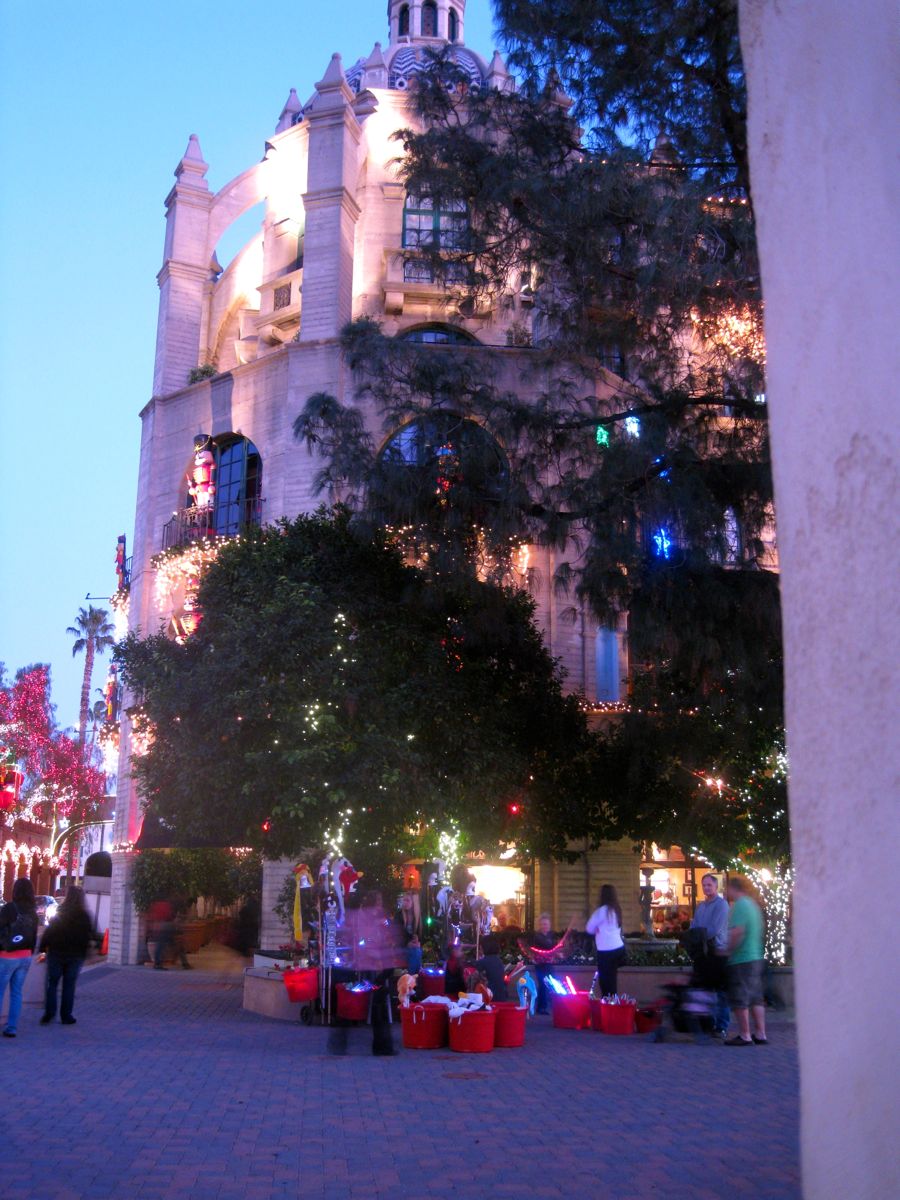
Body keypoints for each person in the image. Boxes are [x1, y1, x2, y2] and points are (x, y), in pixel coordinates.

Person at [39, 885, 96, 1025]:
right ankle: (66, 1015)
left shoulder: (60, 911)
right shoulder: (84, 915)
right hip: (75, 955)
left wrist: (43, 948)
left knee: (52, 984)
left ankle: (49, 1013)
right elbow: (89, 935)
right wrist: (88, 951)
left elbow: (49, 931)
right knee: (69, 985)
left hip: (56, 952)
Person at [725, 875, 768, 1046]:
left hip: (741, 958)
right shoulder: (753, 905)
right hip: (755, 956)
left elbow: (737, 932)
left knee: (740, 997)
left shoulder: (740, 906)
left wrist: (728, 949)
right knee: (756, 997)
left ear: (734, 888)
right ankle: (761, 1033)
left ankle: (745, 1035)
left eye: (727, 888)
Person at [690, 873, 731, 1037]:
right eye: (704, 885)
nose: (706, 888)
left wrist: (699, 936)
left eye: (709, 885)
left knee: (720, 991)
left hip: (717, 951)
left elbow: (714, 929)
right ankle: (709, 1022)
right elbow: (694, 926)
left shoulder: (722, 905)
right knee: (705, 989)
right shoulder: (701, 906)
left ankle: (721, 1025)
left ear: (716, 886)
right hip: (703, 953)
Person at [0, 878, 39, 1038]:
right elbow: (34, 937)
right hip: (25, 956)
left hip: (7, 956)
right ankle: (12, 1027)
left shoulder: (9, 908)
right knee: (17, 992)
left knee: (0, 991)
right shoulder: (33, 912)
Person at [585, 884, 625, 998]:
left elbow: (589, 928)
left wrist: (597, 929)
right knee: (612, 979)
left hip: (605, 950)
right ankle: (613, 1003)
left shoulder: (601, 912)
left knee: (605, 982)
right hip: (618, 948)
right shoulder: (617, 910)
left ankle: (608, 1006)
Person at [529, 912, 558, 1014]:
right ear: (540, 925)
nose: (545, 926)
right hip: (541, 964)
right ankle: (541, 1007)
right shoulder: (538, 936)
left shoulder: (551, 935)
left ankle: (545, 1005)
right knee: (542, 984)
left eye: (546, 924)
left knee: (549, 984)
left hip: (549, 963)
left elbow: (553, 946)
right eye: (543, 924)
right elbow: (547, 945)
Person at [474, 935, 508, 1001]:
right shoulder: (498, 960)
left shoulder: (483, 962)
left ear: (483, 947)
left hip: (489, 997)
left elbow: (475, 979)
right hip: (501, 996)